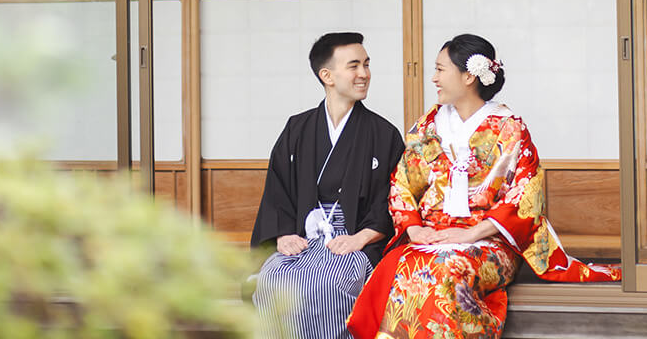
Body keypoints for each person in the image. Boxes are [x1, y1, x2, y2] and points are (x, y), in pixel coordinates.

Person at [348, 33, 620, 339]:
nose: (433, 78)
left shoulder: (508, 127)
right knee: (406, 268)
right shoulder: (427, 126)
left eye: (440, 69)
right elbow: (402, 184)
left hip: (490, 241)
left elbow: (524, 197)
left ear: (467, 76)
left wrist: (470, 234)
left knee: (446, 269)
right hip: (432, 236)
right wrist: (414, 229)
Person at [250, 32, 407, 339]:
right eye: (354, 66)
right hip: (302, 238)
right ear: (327, 75)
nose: (364, 74)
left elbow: (395, 199)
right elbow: (277, 189)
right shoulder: (298, 128)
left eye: (366, 64)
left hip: (354, 241)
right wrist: (282, 234)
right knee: (271, 281)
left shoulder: (383, 134)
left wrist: (361, 237)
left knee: (330, 286)